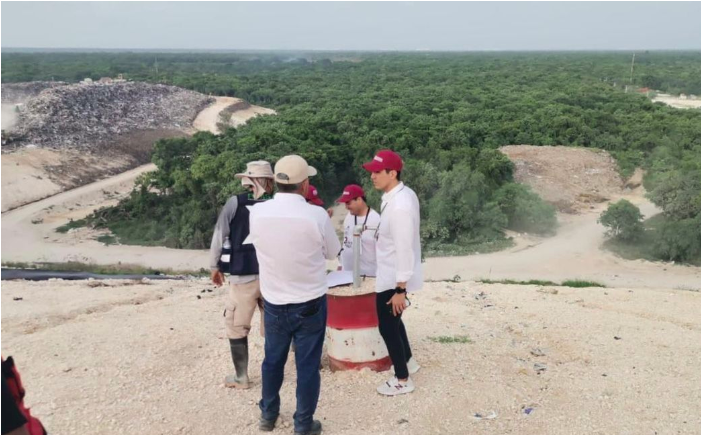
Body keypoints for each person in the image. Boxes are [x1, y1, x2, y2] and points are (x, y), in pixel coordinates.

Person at [248, 155, 340, 435]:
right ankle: (303, 424)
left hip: (275, 303)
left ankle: (268, 414)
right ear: (305, 184)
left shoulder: (257, 212)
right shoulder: (315, 215)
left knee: (273, 360)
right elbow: (333, 253)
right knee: (307, 365)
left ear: (276, 182)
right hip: (309, 302)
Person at [208, 160, 274, 389]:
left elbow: (219, 234)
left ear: (248, 180)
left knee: (236, 324)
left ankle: (241, 376)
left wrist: (214, 265)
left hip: (242, 275)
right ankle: (274, 372)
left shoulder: (234, 203)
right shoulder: (277, 202)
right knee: (275, 325)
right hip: (272, 276)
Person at [362, 149, 423, 396]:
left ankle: (402, 379)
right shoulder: (395, 196)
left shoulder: (400, 206)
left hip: (393, 277)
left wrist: (400, 289)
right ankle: (408, 361)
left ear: (392, 173)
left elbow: (404, 247)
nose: (373, 176)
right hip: (389, 272)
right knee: (395, 323)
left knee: (387, 327)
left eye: (378, 172)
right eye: (372, 172)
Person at [336, 184, 380, 277]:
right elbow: (345, 241)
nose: (346, 207)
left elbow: (382, 252)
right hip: (346, 275)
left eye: (348, 203)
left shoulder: (376, 220)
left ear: (359, 200)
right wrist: (340, 264)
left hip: (368, 276)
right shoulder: (349, 217)